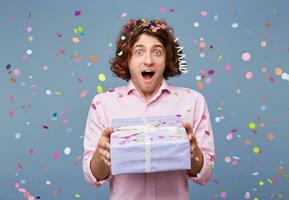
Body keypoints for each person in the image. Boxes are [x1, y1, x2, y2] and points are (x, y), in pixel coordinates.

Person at [82, 18, 215, 200]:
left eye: (157, 52)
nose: (148, 61)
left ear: (167, 58)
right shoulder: (103, 104)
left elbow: (206, 174)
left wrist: (194, 155)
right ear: (127, 58)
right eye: (139, 52)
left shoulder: (193, 101)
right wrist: (100, 156)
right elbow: (92, 177)